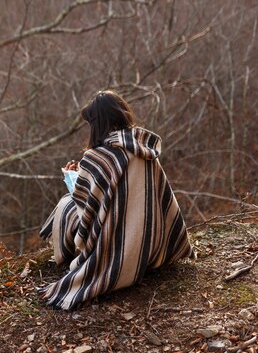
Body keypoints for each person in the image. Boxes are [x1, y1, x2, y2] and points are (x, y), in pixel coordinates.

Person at [38, 90, 193, 310]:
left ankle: (65, 254)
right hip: (153, 246)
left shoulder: (96, 158)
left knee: (65, 205)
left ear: (98, 123)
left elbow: (86, 208)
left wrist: (73, 179)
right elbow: (163, 197)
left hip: (116, 246)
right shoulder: (145, 149)